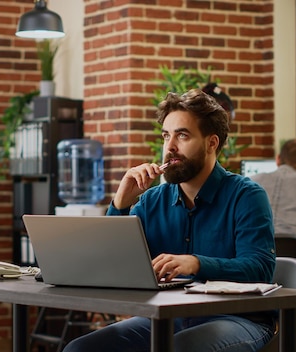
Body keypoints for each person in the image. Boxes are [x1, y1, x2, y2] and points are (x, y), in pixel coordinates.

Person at [63, 89, 276, 352]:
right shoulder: (152, 200)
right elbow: (112, 263)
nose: (170, 146)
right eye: (166, 135)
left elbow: (259, 269)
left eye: (182, 135)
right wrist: (120, 203)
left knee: (179, 348)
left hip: (239, 318)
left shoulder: (246, 196)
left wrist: (196, 263)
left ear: (212, 143)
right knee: (80, 349)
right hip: (169, 317)